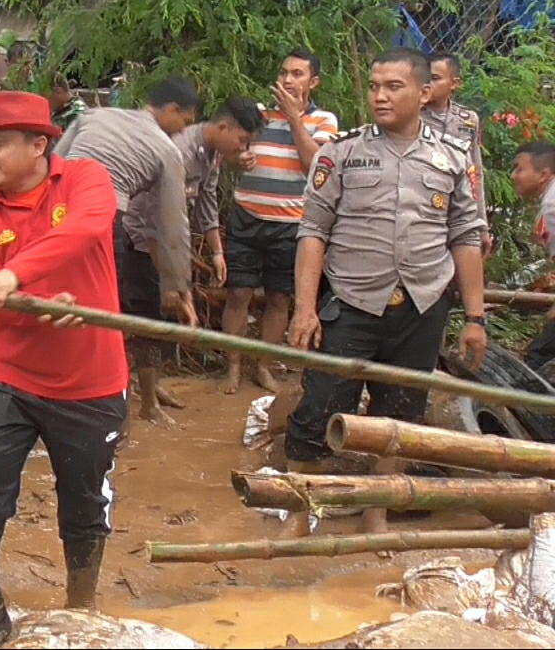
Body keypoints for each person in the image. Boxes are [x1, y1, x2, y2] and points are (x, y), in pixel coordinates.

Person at [284, 48, 487, 536]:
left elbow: (466, 237)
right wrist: (305, 309)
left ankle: (377, 513)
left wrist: (476, 319)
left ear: (424, 93)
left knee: (400, 415)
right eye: (375, 86)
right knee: (318, 407)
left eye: (393, 87)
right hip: (352, 304)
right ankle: (297, 513)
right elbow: (313, 232)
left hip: (421, 306)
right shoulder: (342, 151)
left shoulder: (452, 158)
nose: (380, 96)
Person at [0, 91, 127, 610]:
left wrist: (15, 274)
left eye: (0, 144)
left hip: (91, 381)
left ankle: (82, 612)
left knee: (84, 505)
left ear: (38, 146)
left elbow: (84, 229)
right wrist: (35, 305)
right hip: (13, 376)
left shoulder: (83, 181)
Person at [55, 76, 200, 428]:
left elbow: (52, 165)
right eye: (185, 122)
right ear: (172, 110)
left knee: (56, 306)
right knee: (102, 316)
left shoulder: (94, 117)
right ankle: (95, 411)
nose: (182, 131)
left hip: (54, 211)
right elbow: (172, 226)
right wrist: (176, 286)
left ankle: (55, 402)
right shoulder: (167, 150)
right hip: (101, 218)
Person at [222, 49, 339, 396]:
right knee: (238, 293)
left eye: (298, 74)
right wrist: (236, 158)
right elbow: (227, 151)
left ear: (313, 81)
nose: (288, 79)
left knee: (278, 298)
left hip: (291, 224)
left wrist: (293, 119)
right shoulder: (257, 114)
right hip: (246, 216)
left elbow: (314, 167)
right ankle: (233, 366)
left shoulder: (325, 121)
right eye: (285, 72)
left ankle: (263, 365)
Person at [173, 96, 268, 289]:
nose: (243, 149)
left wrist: (217, 253)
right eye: (242, 140)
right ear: (223, 127)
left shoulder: (214, 154)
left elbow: (207, 201)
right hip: (145, 243)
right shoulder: (180, 152)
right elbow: (157, 211)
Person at [424, 53, 491, 256]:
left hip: (460, 209)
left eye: (435, 79)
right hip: (425, 210)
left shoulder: (467, 120)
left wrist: (482, 225)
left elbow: (475, 173)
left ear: (455, 83)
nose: (427, 85)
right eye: (424, 79)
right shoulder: (411, 117)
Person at [511, 141, 555, 370]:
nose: (513, 175)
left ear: (543, 174)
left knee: (537, 359)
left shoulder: (552, 204)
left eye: (519, 169)